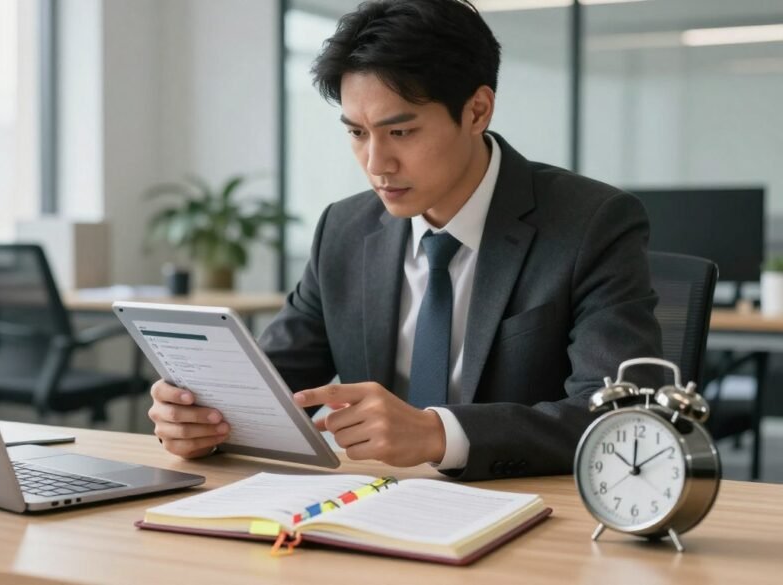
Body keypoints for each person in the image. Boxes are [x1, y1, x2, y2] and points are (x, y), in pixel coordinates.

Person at [147, 0, 661, 480]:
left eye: (401, 132)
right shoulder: (343, 230)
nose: (376, 164)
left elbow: (620, 413)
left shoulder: (592, 222)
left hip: (531, 513)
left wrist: (440, 434)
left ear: (478, 111)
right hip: (374, 508)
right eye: (356, 133)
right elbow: (275, 385)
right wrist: (203, 419)